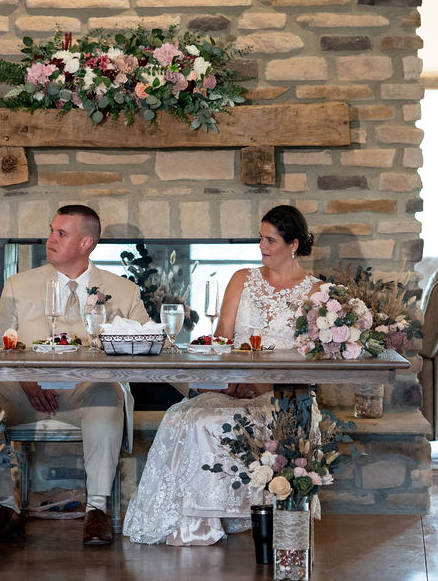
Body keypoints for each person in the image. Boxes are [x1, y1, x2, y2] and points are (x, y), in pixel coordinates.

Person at [123, 205, 321, 546]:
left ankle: (214, 516)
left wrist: (264, 383)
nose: (262, 246)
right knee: (182, 417)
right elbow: (222, 340)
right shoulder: (242, 279)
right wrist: (228, 380)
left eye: (270, 240)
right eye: (260, 238)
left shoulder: (317, 292)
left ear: (294, 244)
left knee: (207, 422)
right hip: (234, 385)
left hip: (283, 393)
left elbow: (314, 359)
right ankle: (193, 520)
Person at [0, 204, 153, 546]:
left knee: (108, 391)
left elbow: (150, 341)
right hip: (26, 393)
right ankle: (7, 508)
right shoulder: (19, 285)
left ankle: (97, 512)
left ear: (85, 243)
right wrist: (25, 379)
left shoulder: (124, 291)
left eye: (61, 233)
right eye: (51, 230)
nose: (50, 239)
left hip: (85, 392)